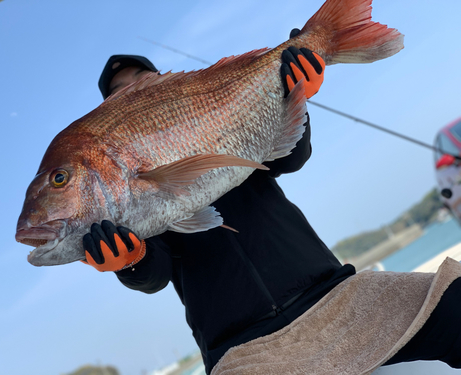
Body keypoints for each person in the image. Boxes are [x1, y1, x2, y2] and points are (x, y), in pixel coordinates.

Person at [83, 30, 461, 374]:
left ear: (166, 85)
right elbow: (155, 274)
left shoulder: (218, 125)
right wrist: (130, 262)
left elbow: (290, 158)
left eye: (141, 79)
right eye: (119, 90)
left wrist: (294, 93)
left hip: (333, 297)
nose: (132, 89)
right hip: (241, 347)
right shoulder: (124, 195)